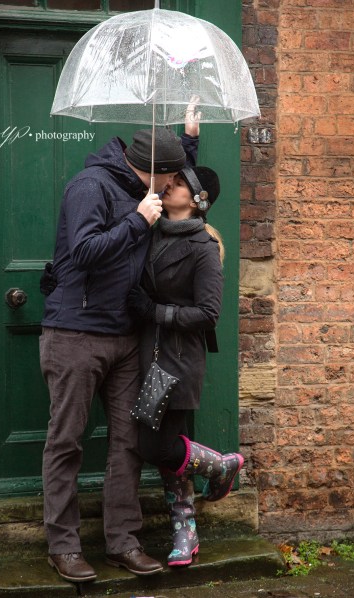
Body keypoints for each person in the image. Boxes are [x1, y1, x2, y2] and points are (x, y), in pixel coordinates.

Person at [39, 125, 199, 582]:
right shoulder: (89, 187)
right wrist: (138, 221)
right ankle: (64, 546)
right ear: (152, 171)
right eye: (170, 178)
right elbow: (84, 251)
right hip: (75, 333)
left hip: (126, 337)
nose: (173, 186)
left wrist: (188, 141)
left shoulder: (146, 184)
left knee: (128, 443)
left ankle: (123, 541)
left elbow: (177, 171)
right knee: (66, 441)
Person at [127, 165, 244, 567]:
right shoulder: (153, 230)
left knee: (158, 446)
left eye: (179, 183)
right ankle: (185, 529)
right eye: (172, 179)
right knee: (164, 448)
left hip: (177, 358)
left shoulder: (203, 247)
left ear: (197, 202)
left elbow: (208, 313)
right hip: (148, 352)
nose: (170, 184)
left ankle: (221, 466)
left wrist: (156, 312)